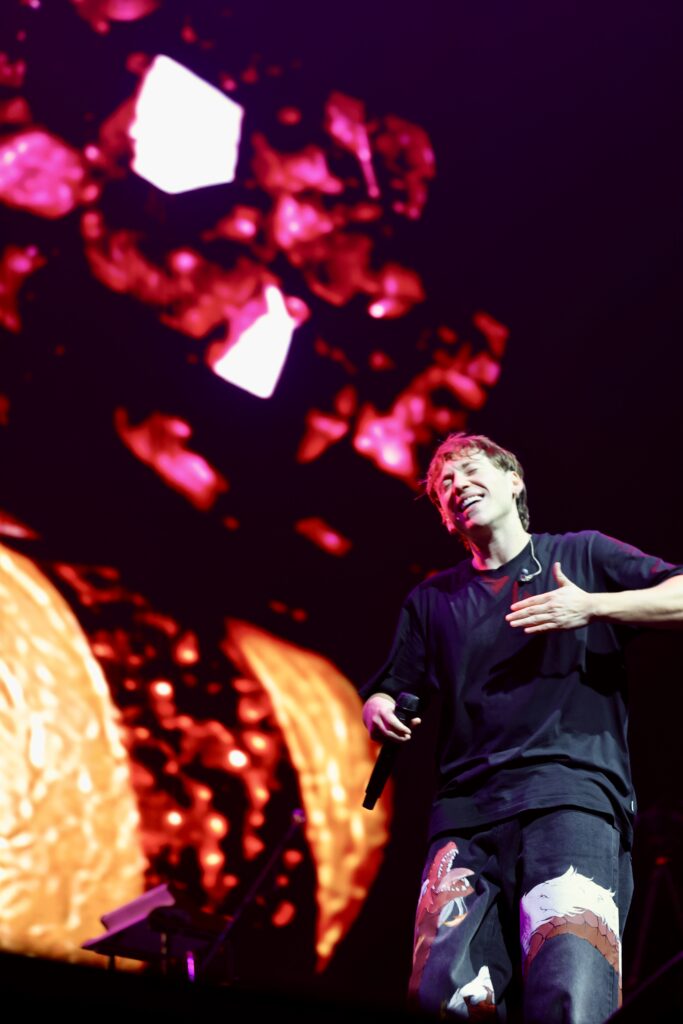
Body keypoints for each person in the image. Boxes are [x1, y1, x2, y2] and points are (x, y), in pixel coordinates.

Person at [360, 431, 683, 1023]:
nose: (457, 486)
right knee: (442, 998)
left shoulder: (581, 555)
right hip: (465, 817)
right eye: (444, 485)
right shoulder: (432, 600)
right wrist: (377, 708)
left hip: (571, 799)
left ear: (514, 481)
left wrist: (593, 606)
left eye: (470, 470)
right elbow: (390, 686)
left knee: (569, 991)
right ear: (446, 518)